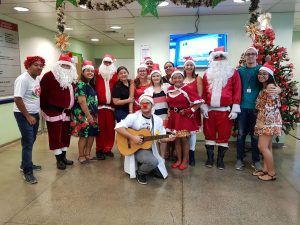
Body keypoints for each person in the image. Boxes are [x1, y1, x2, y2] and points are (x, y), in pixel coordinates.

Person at [235, 47, 281, 171]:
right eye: (247, 54)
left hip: (257, 110)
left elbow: (270, 81)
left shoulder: (260, 70)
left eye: (252, 54)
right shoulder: (239, 71)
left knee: (256, 136)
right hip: (242, 108)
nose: (250, 56)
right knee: (240, 135)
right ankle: (239, 159)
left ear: (256, 56)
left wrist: (279, 89)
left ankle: (256, 161)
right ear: (245, 56)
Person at [115, 94, 175, 185]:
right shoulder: (133, 116)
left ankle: (145, 164)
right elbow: (118, 127)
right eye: (142, 103)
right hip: (136, 148)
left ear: (152, 105)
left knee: (161, 175)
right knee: (153, 162)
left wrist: (168, 139)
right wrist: (133, 137)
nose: (144, 105)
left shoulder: (157, 120)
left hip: (150, 148)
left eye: (147, 103)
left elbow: (161, 137)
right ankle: (140, 172)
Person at [201, 47, 242, 170]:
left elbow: (237, 91)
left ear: (225, 58)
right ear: (213, 59)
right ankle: (210, 158)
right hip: (209, 110)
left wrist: (235, 109)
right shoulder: (207, 74)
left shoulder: (233, 72)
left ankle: (220, 160)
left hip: (225, 111)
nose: (219, 60)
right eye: (216, 57)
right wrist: (203, 106)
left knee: (224, 136)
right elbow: (203, 92)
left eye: (221, 57)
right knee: (209, 135)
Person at [40, 52, 76, 170]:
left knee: (65, 135)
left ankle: (64, 157)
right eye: (63, 65)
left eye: (68, 66)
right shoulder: (48, 76)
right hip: (53, 111)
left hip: (67, 111)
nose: (65, 68)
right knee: (55, 135)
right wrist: (44, 109)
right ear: (58, 65)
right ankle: (59, 159)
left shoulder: (71, 78)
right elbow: (43, 95)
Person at [13, 56, 45, 184]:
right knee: (28, 143)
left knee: (30, 141)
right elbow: (17, 99)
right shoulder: (23, 79)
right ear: (28, 65)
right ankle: (28, 172)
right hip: (23, 115)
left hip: (34, 114)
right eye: (36, 65)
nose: (39, 67)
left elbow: (35, 97)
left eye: (41, 65)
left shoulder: (36, 79)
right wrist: (27, 116)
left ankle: (25, 164)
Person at [166, 69, 203, 170]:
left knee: (184, 139)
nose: (177, 79)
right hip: (173, 117)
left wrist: (190, 111)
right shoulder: (169, 89)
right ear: (172, 79)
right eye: (175, 77)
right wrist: (169, 110)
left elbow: (199, 101)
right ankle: (179, 159)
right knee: (176, 139)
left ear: (183, 78)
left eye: (179, 77)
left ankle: (185, 160)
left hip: (183, 117)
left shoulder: (187, 88)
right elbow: (169, 103)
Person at [253, 62, 282, 181]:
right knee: (268, 147)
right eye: (260, 73)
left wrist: (261, 123)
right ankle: (265, 170)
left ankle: (271, 173)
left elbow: (270, 108)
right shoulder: (266, 86)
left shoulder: (270, 87)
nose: (261, 76)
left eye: (264, 74)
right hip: (266, 120)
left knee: (262, 146)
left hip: (268, 121)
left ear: (269, 75)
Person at [70, 60, 99, 164]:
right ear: (83, 72)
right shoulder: (81, 84)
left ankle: (88, 154)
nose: (90, 72)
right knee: (84, 135)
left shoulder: (90, 84)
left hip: (93, 114)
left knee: (91, 134)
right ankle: (81, 155)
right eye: (88, 71)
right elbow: (82, 102)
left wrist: (94, 116)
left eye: (92, 71)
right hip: (84, 115)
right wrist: (89, 116)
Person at [94, 53, 119, 160]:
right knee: (100, 129)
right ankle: (99, 149)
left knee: (110, 129)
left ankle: (107, 149)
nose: (107, 64)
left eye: (109, 62)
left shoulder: (116, 75)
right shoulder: (96, 73)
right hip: (99, 107)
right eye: (105, 62)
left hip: (111, 108)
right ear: (102, 63)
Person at [144, 64, 170, 158]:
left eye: (157, 75)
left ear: (160, 76)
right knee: (155, 136)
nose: (156, 77)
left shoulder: (167, 87)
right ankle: (156, 156)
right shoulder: (148, 90)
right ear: (151, 78)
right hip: (154, 117)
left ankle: (162, 157)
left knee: (163, 137)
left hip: (165, 116)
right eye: (153, 76)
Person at [183, 56, 203, 166]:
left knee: (192, 133)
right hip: (182, 110)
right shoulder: (180, 78)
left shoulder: (197, 79)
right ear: (184, 67)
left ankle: (192, 154)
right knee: (183, 132)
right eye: (187, 65)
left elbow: (199, 95)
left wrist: (193, 106)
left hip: (193, 109)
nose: (189, 67)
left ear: (194, 67)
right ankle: (184, 154)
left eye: (191, 65)